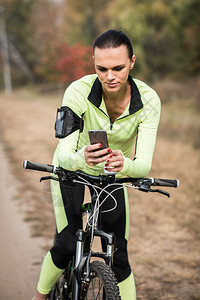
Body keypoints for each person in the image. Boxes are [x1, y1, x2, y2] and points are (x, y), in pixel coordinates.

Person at [34, 29, 161, 300]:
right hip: (72, 169)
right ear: (93, 63)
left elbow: (143, 165)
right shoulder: (78, 91)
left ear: (133, 62)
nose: (110, 76)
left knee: (119, 257)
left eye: (118, 67)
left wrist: (124, 164)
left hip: (112, 174)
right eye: (101, 68)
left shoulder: (149, 101)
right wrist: (81, 158)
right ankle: (39, 297)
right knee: (67, 244)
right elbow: (65, 153)